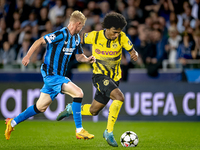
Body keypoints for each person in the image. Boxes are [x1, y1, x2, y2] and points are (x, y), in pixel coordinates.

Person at [4, 10, 95, 140]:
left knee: (40, 107)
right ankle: (79, 130)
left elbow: (79, 56)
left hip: (58, 77)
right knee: (79, 93)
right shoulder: (60, 34)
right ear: (78, 24)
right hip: (51, 74)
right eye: (81, 26)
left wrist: (87, 59)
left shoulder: (75, 39)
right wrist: (28, 56)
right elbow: (40, 41)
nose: (81, 29)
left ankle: (12, 123)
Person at [56, 12, 138, 147]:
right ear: (107, 28)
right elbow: (77, 39)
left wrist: (134, 54)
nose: (116, 35)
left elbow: (132, 50)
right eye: (114, 32)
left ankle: (72, 109)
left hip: (114, 79)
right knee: (119, 97)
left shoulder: (122, 37)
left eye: (119, 32)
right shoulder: (95, 36)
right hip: (99, 76)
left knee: (94, 111)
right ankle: (109, 132)